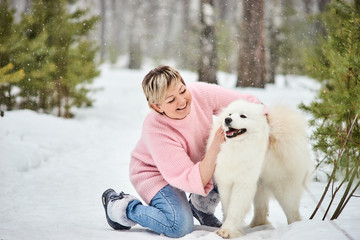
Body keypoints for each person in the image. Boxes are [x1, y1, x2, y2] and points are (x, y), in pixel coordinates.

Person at [102, 65, 265, 238]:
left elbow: (245, 104)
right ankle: (121, 207)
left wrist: (268, 120)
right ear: (157, 107)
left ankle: (200, 207)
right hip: (153, 173)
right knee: (178, 226)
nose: (182, 101)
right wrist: (216, 146)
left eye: (182, 90)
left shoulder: (199, 94)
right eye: (171, 100)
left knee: (237, 158)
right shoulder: (156, 129)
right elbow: (192, 177)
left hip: (195, 164)